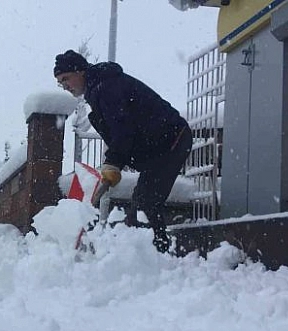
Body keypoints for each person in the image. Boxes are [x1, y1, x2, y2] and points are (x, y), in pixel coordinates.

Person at [53, 50, 192, 253]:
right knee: (141, 203)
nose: (64, 86)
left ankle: (157, 255)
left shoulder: (107, 87)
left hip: (172, 140)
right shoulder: (99, 88)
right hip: (157, 148)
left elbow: (122, 129)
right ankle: (148, 253)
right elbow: (122, 131)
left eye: (66, 78)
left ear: (80, 71)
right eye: (60, 82)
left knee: (147, 201)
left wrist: (113, 162)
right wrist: (114, 162)